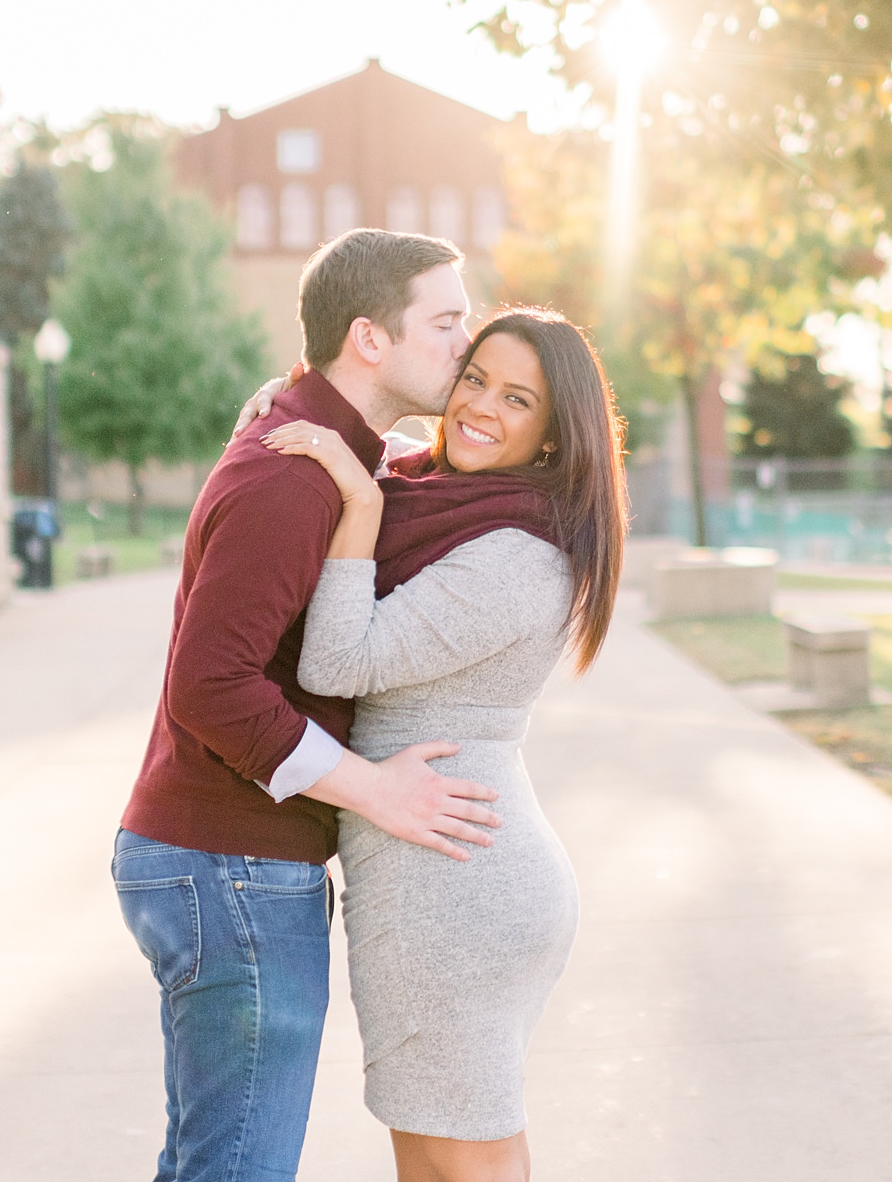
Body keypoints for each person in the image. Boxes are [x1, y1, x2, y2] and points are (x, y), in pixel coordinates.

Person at [114, 228, 508, 1182]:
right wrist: (374, 790)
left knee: (210, 1163)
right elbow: (209, 686)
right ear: (370, 338)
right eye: (446, 322)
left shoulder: (322, 448)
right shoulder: (291, 475)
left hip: (230, 865)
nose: (467, 344)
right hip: (232, 868)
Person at [261, 307, 626, 1182]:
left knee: (471, 1156)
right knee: (428, 1153)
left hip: (460, 887)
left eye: (517, 398)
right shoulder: (440, 497)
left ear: (551, 435)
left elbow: (340, 658)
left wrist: (356, 498)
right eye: (474, 379)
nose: (480, 407)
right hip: (423, 875)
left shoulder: (515, 554)